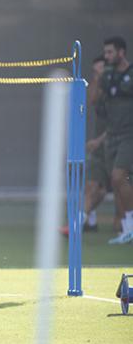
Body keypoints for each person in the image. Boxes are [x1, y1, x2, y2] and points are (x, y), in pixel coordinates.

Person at [61, 56, 109, 236]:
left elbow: (122, 122)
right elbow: (90, 101)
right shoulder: (101, 88)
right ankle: (78, 224)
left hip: (116, 142)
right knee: (92, 186)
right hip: (101, 147)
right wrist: (97, 78)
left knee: (118, 186)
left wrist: (99, 140)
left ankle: (123, 226)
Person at [100, 37, 133, 244]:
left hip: (129, 135)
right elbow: (94, 99)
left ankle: (130, 223)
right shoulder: (107, 75)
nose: (107, 56)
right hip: (111, 136)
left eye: (110, 52)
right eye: (105, 52)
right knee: (116, 181)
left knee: (119, 176)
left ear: (121, 52)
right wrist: (97, 75)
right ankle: (126, 229)